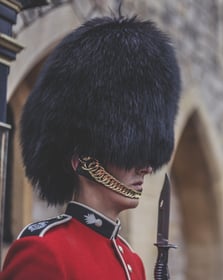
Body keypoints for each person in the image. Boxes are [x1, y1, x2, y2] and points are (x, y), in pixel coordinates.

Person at [0, 15, 181, 280]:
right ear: (83, 160)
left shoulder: (132, 262)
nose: (146, 167)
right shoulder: (43, 251)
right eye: (130, 152)